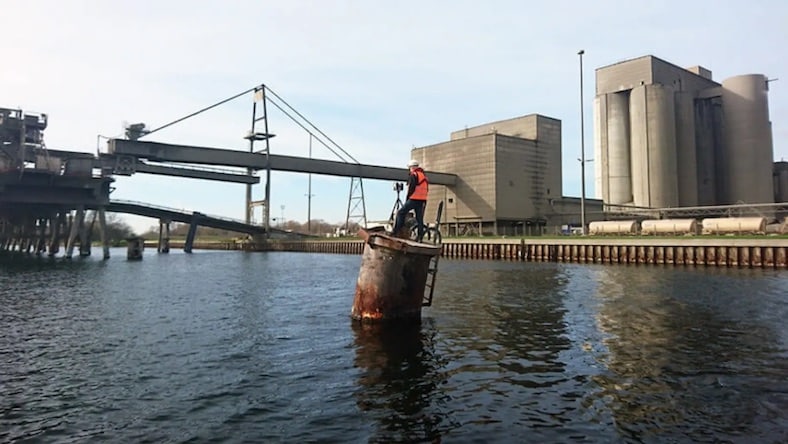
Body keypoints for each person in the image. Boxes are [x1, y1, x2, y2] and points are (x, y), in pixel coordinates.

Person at [392, 159, 429, 241]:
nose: (409, 169)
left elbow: (411, 188)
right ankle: (420, 237)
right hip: (422, 200)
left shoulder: (414, 175)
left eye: (409, 168)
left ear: (412, 167)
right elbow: (426, 189)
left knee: (400, 213)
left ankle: (396, 232)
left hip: (414, 199)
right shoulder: (424, 176)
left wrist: (407, 199)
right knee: (419, 219)